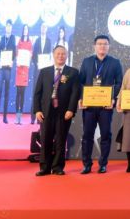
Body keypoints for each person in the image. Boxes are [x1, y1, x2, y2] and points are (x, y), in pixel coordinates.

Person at [78, 35, 123, 174]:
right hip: (89, 106)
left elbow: (119, 83)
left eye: (105, 44)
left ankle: (103, 164)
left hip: (106, 106)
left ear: (109, 46)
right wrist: (82, 98)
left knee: (105, 135)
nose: (102, 46)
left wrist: (113, 99)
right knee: (87, 135)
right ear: (95, 46)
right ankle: (86, 164)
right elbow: (81, 82)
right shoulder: (87, 61)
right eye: (99, 44)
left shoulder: (115, 62)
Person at [33, 45, 80, 176]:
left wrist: (71, 109)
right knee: (45, 139)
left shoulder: (73, 72)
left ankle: (58, 167)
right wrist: (37, 110)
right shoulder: (44, 71)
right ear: (53, 55)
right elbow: (37, 93)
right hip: (46, 112)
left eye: (63, 54)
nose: (60, 56)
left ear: (67, 55)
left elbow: (75, 93)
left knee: (60, 140)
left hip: (63, 112)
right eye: (58, 53)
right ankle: (44, 167)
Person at [30, 22, 52, 124]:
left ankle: (40, 118)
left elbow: (49, 56)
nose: (43, 28)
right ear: (40, 28)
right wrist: (37, 63)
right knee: (36, 92)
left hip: (46, 71)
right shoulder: (37, 40)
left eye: (45, 27)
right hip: (37, 70)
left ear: (47, 29)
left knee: (44, 93)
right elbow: (33, 56)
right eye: (42, 27)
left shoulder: (49, 41)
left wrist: (46, 64)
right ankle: (32, 117)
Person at [0, 19, 16, 124]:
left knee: (6, 93)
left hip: (8, 68)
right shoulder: (2, 38)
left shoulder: (13, 38)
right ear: (5, 27)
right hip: (2, 69)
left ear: (11, 27)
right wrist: (0, 61)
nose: (8, 27)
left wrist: (12, 61)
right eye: (7, 25)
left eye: (10, 26)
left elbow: (14, 52)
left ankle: (5, 117)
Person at [14, 24, 32, 125]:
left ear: (28, 31)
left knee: (23, 93)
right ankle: (16, 116)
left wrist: (28, 59)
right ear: (22, 30)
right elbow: (17, 54)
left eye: (27, 29)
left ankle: (20, 117)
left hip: (25, 70)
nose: (25, 30)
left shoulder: (30, 42)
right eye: (24, 29)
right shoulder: (19, 41)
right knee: (18, 93)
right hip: (19, 70)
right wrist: (18, 60)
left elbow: (30, 55)